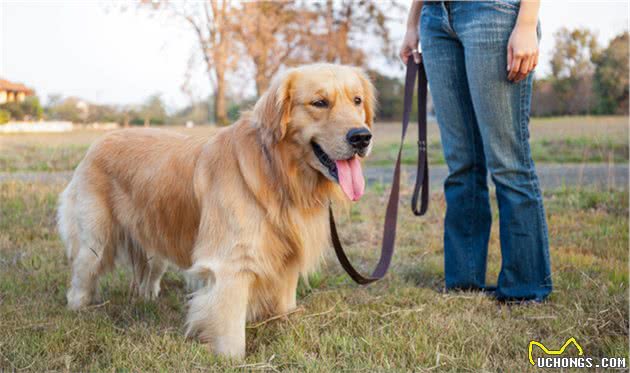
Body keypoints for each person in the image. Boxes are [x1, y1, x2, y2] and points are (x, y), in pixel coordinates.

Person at [400, 0, 552, 301]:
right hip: (434, 18)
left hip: (491, 12)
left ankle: (525, 288)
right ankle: (463, 282)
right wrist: (412, 22)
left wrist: (525, 23)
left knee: (508, 162)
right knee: (461, 164)